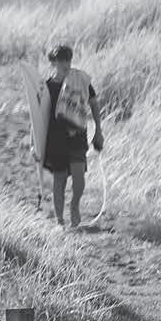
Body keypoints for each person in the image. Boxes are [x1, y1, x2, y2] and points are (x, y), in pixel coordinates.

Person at [32, 43, 105, 228]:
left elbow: (94, 104)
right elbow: (37, 117)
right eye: (62, 60)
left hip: (77, 135)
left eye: (68, 59)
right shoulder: (46, 87)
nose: (66, 64)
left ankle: (74, 206)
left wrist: (98, 130)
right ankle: (60, 221)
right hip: (55, 139)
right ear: (53, 63)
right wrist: (34, 143)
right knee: (60, 179)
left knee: (79, 179)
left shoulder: (80, 81)